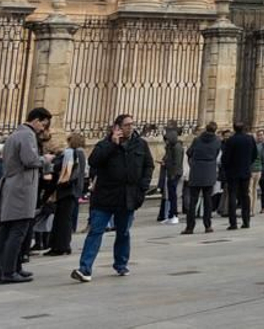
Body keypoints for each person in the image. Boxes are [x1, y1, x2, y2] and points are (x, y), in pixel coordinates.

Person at [71, 112, 152, 283]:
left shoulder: (140, 145)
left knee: (123, 232)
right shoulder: (104, 144)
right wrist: (112, 145)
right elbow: (94, 161)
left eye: (132, 124)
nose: (130, 127)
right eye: (127, 125)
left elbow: (148, 166)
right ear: (117, 127)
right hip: (105, 197)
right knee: (95, 231)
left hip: (127, 197)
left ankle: (121, 264)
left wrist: (142, 188)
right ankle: (84, 268)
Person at [0, 106, 50, 285]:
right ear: (36, 120)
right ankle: (9, 272)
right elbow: (30, 160)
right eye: (43, 125)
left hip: (11, 185)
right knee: (18, 230)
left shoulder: (14, 134)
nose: (43, 129)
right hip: (21, 188)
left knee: (6, 230)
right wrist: (45, 159)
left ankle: (1, 269)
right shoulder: (27, 135)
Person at [45, 132, 86, 256]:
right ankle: (63, 245)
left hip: (66, 189)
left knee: (62, 219)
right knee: (66, 219)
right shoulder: (81, 153)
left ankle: (60, 246)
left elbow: (60, 167)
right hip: (74, 190)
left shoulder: (70, 153)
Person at [183, 122, 220, 234]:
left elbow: (189, 152)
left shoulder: (197, 140)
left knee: (193, 200)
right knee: (208, 200)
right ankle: (208, 225)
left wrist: (193, 161)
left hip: (196, 171)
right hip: (209, 171)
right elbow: (216, 153)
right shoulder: (217, 141)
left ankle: (190, 227)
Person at [221, 122, 258, 230]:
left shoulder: (231, 140)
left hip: (232, 172)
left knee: (232, 196)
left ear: (234, 128)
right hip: (245, 170)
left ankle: (233, 223)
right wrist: (248, 163)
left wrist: (227, 167)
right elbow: (255, 154)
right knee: (245, 195)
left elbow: (225, 157)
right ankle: (246, 221)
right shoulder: (250, 139)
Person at [157, 124, 183, 225]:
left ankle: (174, 215)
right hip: (170, 172)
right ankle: (171, 215)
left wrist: (173, 172)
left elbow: (177, 162)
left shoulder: (176, 147)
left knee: (173, 195)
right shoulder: (170, 147)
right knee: (171, 195)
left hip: (174, 173)